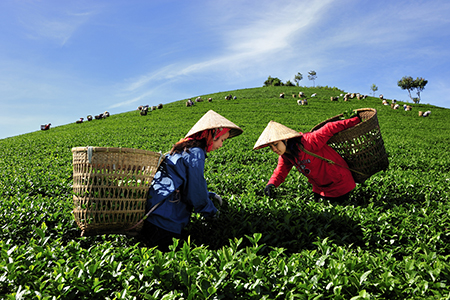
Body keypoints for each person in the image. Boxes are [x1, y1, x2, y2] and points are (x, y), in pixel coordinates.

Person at [141, 110, 243, 251]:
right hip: (166, 221)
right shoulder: (196, 153)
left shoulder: (184, 148)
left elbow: (183, 183)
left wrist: (209, 195)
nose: (221, 145)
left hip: (154, 215)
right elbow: (195, 193)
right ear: (213, 134)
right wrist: (212, 212)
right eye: (221, 139)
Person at [253, 115, 360, 202]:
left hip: (339, 183)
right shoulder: (286, 155)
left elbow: (330, 127)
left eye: (275, 144)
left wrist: (356, 120)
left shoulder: (308, 141)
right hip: (320, 187)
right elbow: (280, 172)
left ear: (285, 140)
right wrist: (271, 184)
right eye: (271, 147)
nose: (274, 149)